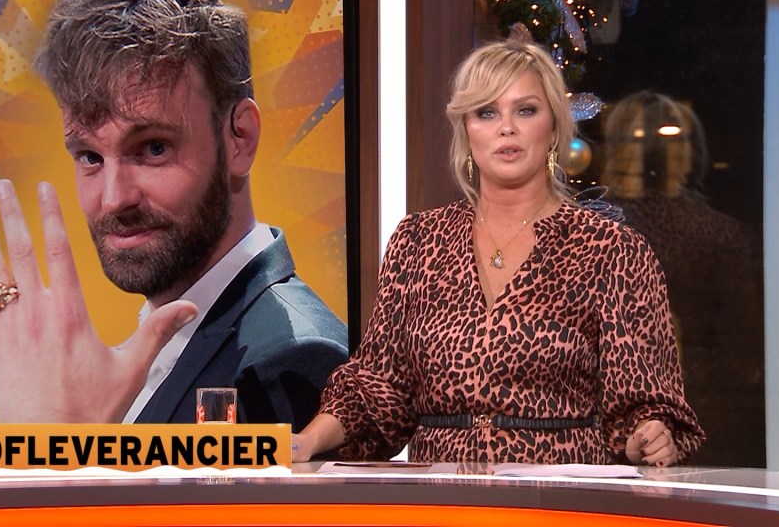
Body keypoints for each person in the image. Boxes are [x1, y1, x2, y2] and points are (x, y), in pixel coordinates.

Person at [0, 0, 348, 427]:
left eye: (153, 148)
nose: (114, 198)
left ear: (240, 138)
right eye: (90, 156)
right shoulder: (173, 338)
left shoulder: (293, 360)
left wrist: (51, 447)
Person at [292, 39, 704, 466]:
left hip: (558, 493)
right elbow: (376, 389)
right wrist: (304, 442)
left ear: (554, 127)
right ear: (467, 131)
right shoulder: (418, 240)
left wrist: (650, 436)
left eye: (526, 110)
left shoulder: (612, 250)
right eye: (486, 113)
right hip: (440, 492)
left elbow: (646, 402)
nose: (506, 128)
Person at [600, 91, 763, 466]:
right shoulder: (594, 236)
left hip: (701, 418)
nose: (654, 152)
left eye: (670, 139)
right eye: (638, 140)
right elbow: (743, 356)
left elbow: (743, 350)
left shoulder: (719, 236)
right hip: (621, 432)